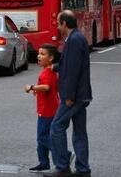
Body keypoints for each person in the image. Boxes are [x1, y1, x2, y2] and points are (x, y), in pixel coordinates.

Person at [45, 10, 92, 177]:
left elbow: (73, 70)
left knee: (56, 127)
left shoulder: (73, 40)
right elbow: (71, 64)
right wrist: (56, 67)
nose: (57, 26)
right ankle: (83, 169)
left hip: (74, 95)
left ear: (64, 23)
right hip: (82, 94)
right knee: (79, 132)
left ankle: (62, 165)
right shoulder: (76, 38)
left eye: (58, 23)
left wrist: (70, 96)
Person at [24, 44, 60, 173]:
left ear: (51, 58)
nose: (39, 56)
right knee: (42, 137)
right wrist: (37, 90)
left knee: (43, 137)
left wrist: (32, 87)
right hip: (47, 108)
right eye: (39, 53)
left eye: (43, 54)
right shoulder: (49, 70)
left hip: (47, 110)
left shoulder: (48, 72)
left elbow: (46, 87)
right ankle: (43, 162)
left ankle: (63, 155)